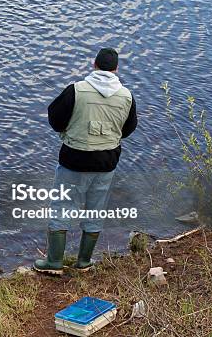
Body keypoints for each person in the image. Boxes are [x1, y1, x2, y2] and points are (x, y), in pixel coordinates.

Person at [33, 48, 138, 275]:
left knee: (61, 208)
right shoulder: (127, 96)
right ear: (116, 69)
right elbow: (129, 128)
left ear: (94, 64)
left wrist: (68, 132)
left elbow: (55, 117)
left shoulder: (76, 90)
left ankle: (54, 263)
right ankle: (83, 262)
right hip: (106, 162)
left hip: (74, 159)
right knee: (95, 211)